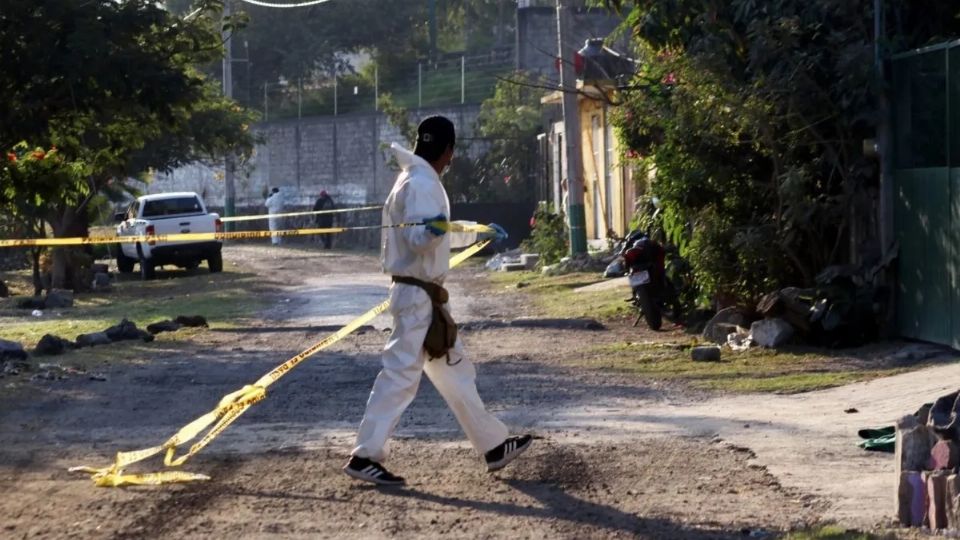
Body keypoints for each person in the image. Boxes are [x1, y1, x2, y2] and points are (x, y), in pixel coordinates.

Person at [344, 115, 531, 486]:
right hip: (417, 297)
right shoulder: (423, 182)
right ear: (448, 151)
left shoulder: (411, 179)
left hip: (423, 296)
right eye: (450, 154)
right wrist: (433, 232)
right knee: (400, 376)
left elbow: (435, 235)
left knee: (455, 372)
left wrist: (477, 235)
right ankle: (365, 455)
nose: (450, 160)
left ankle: (493, 445)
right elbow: (421, 239)